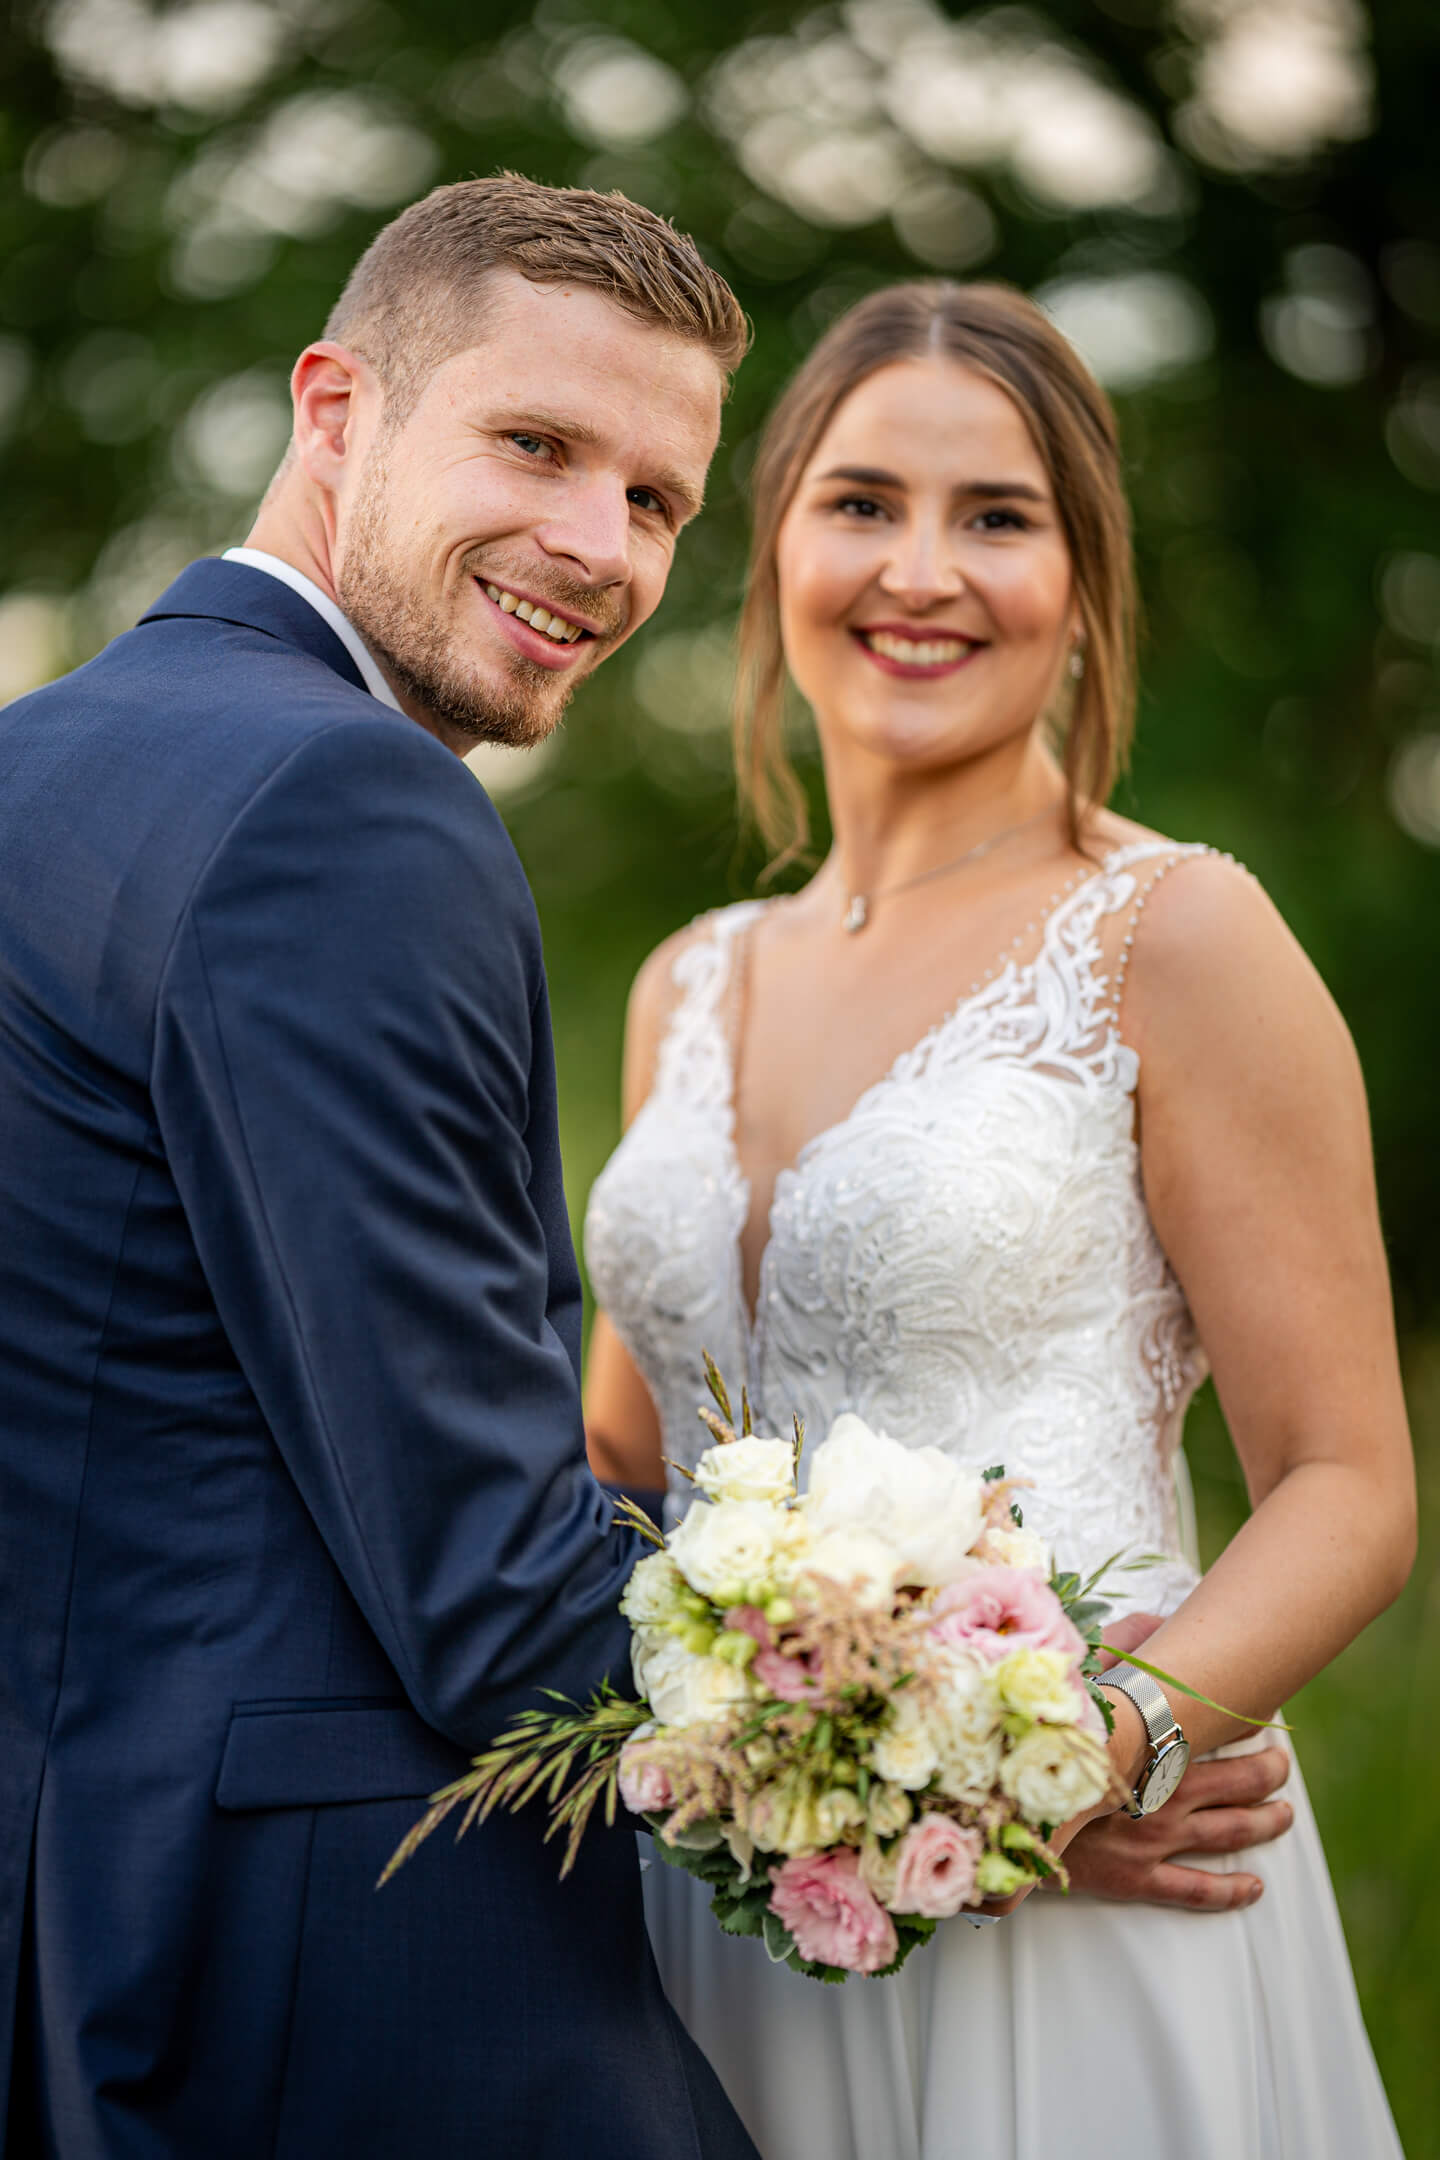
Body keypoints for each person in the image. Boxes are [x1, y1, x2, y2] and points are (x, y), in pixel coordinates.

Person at [583, 280, 1414, 2158]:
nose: (922, 570)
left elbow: (1351, 1485)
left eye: (999, 517)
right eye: (863, 501)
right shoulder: (685, 983)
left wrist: (1074, 1775)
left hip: (1079, 1916)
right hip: (727, 1915)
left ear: (1083, 576)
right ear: (777, 531)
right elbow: (621, 1467)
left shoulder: (1179, 938)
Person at [0, 175, 760, 2159]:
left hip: (75, 1937)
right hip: (352, 2000)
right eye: (536, 443)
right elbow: (498, 1600)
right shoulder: (350, 803)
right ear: (334, 408)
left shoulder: (35, 766)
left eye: (658, 499)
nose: (597, 544)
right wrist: (960, 1721)